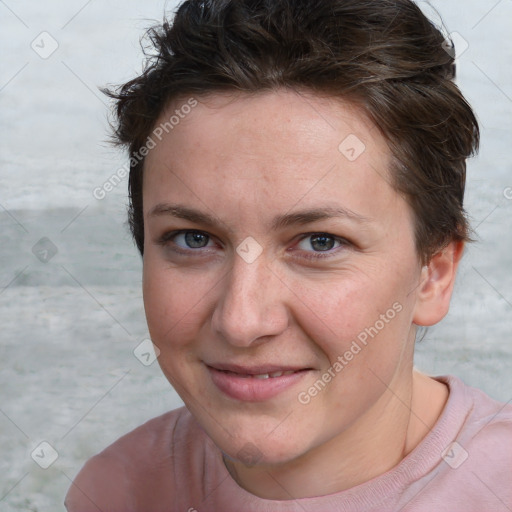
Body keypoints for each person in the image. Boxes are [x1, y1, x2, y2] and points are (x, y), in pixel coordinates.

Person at [65, 0, 512, 510]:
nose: (241, 321)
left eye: (320, 242)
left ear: (433, 273)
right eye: (193, 238)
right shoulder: (113, 491)